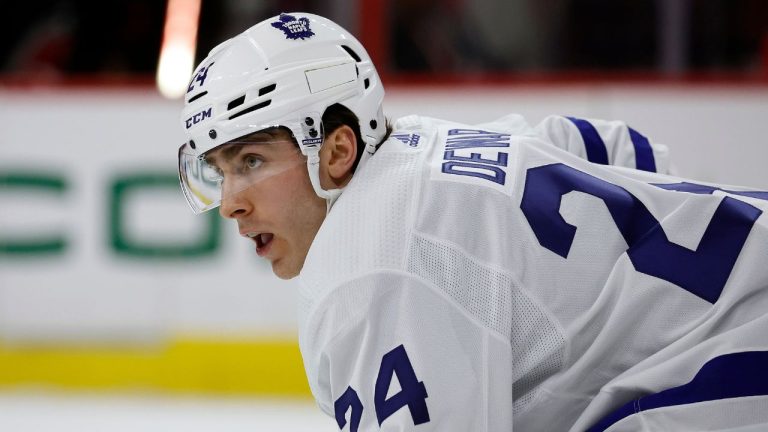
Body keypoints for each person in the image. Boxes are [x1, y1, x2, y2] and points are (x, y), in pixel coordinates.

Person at [175, 12, 768, 432]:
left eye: (250, 161)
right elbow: (615, 148)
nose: (230, 202)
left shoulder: (371, 269)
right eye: (220, 171)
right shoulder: (423, 143)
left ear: (335, 150)